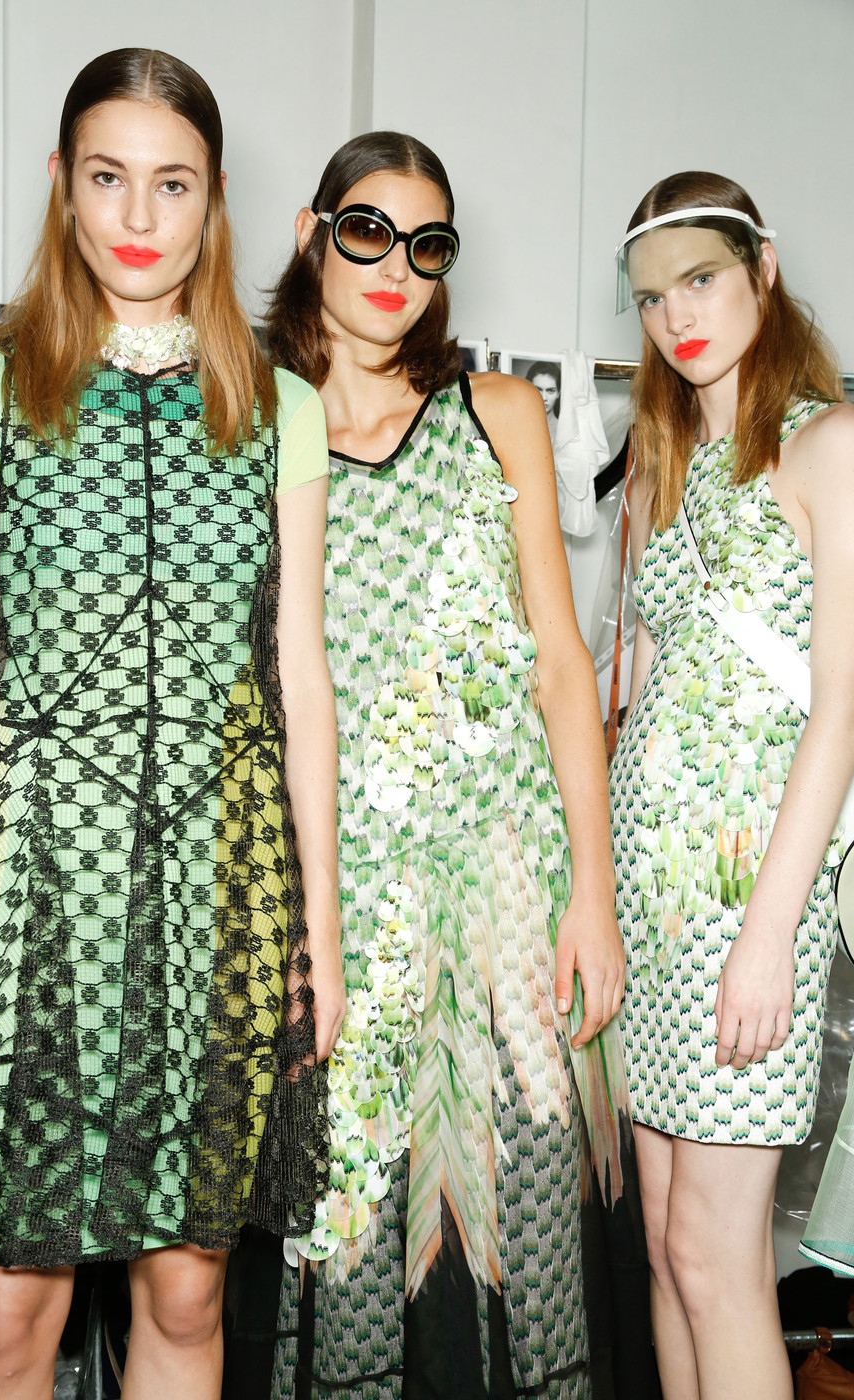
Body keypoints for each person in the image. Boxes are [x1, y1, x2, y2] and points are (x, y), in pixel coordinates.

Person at [0, 48, 343, 1400]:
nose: (137, 214)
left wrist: (320, 931)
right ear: (63, 184)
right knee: (10, 1317)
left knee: (186, 1293)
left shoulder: (280, 408)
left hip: (217, 898)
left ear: (214, 200)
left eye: (173, 185)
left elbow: (298, 681)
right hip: (30, 894)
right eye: (109, 177)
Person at [263, 131, 635, 1400]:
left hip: (508, 892)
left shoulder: (498, 413)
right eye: (368, 231)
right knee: (349, 1236)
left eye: (428, 246)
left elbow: (562, 665)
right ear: (313, 233)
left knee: (529, 1232)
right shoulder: (259, 425)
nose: (396, 269)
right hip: (343, 897)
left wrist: (594, 890)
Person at [609, 170, 854, 1400]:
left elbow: (844, 704)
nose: (677, 316)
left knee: (720, 1261)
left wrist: (770, 933)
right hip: (652, 906)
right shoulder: (667, 466)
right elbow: (644, 690)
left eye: (702, 278)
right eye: (651, 296)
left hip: (747, 906)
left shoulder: (835, 446)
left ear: (763, 270)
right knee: (670, 1252)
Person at [525, 358, 561, 443]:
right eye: (538, 390)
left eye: (550, 391)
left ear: (558, 393)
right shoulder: (517, 426)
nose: (544, 398)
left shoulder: (564, 431)